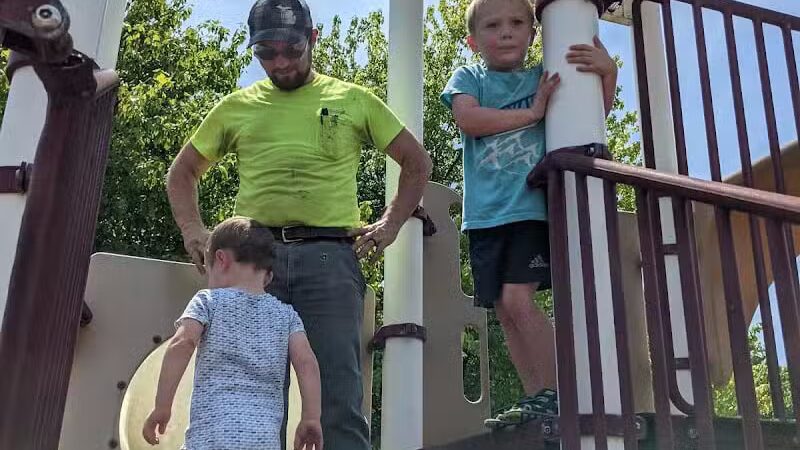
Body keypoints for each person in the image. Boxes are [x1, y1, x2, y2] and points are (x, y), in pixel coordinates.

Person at [165, 0, 432, 447]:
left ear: (312, 39)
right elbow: (182, 172)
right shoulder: (237, 107)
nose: (280, 62)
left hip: (328, 260)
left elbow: (415, 162)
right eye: (266, 53)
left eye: (290, 48)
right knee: (245, 393)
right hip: (250, 262)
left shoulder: (352, 99)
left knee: (335, 397)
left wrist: (389, 224)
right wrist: (195, 232)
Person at [440, 0, 618, 423]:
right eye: (493, 25)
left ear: (533, 34)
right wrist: (532, 113)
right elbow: (469, 119)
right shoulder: (470, 78)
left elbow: (590, 114)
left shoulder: (545, 78)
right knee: (503, 308)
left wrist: (607, 72)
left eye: (517, 23)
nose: (506, 32)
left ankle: (562, 390)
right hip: (484, 216)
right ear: (473, 40)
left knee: (518, 300)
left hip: (527, 211)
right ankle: (538, 396)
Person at [142, 217, 323, 449]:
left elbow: (182, 343)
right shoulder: (286, 316)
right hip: (263, 440)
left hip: (211, 436)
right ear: (268, 276)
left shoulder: (208, 301)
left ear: (220, 259)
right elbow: (307, 363)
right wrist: (311, 418)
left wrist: (162, 406)